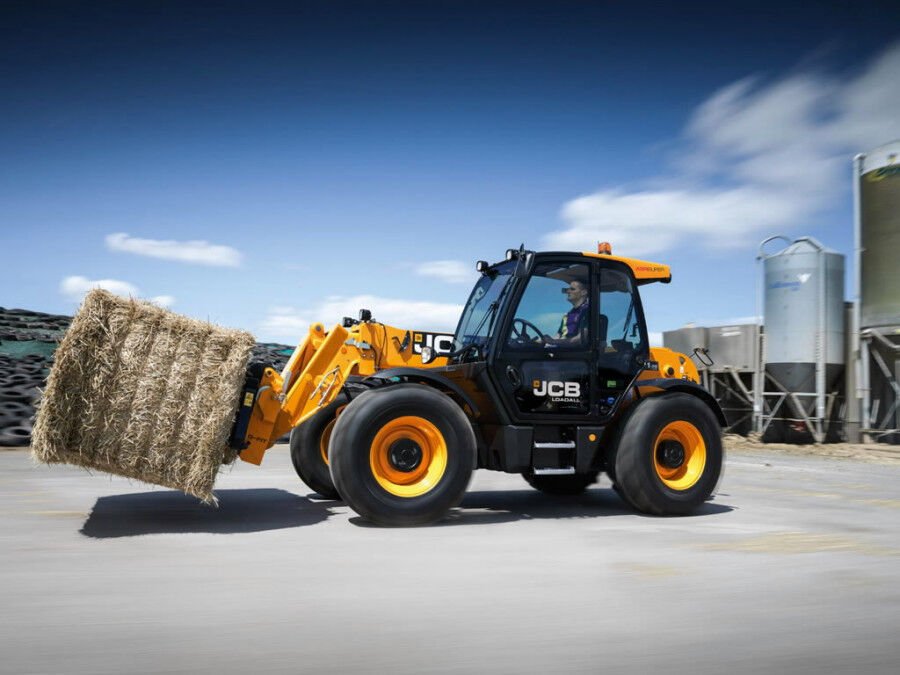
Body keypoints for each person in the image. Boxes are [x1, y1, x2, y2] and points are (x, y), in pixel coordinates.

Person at [555, 279, 589, 345]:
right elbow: (558, 335)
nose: (567, 291)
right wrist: (546, 341)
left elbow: (580, 339)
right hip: (563, 350)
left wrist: (553, 342)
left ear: (584, 292)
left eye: (572, 289)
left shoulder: (588, 311)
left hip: (576, 352)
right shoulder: (567, 315)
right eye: (567, 289)